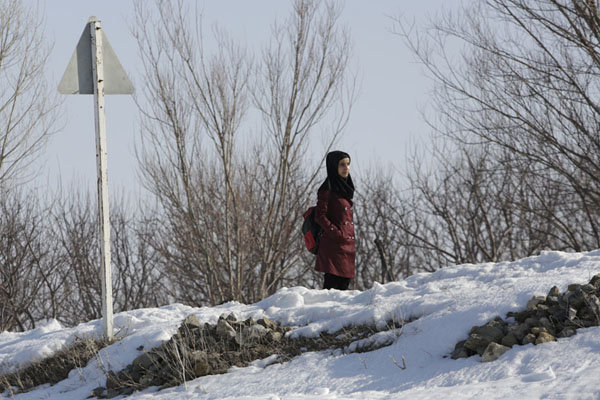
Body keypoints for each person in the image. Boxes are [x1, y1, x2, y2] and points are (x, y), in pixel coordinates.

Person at [314, 150, 356, 290]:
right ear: (333, 167)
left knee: (344, 292)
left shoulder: (345, 189)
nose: (346, 168)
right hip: (333, 247)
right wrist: (336, 233)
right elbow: (320, 216)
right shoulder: (327, 189)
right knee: (331, 291)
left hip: (347, 247)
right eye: (342, 165)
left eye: (348, 164)